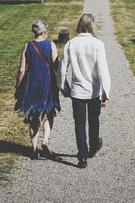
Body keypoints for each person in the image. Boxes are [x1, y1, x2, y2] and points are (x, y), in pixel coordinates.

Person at [57, 14, 110, 168]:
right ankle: (93, 147)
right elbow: (102, 70)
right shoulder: (97, 44)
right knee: (94, 121)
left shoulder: (71, 44)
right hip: (93, 91)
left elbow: (62, 69)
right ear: (90, 26)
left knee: (79, 123)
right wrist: (105, 91)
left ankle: (82, 158)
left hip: (78, 91)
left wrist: (63, 87)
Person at [15, 20, 60, 159]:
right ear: (45, 32)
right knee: (48, 113)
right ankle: (45, 141)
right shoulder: (51, 45)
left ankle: (34, 150)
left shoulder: (27, 46)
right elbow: (56, 67)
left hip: (32, 84)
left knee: (34, 115)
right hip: (47, 83)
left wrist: (18, 86)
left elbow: (22, 70)